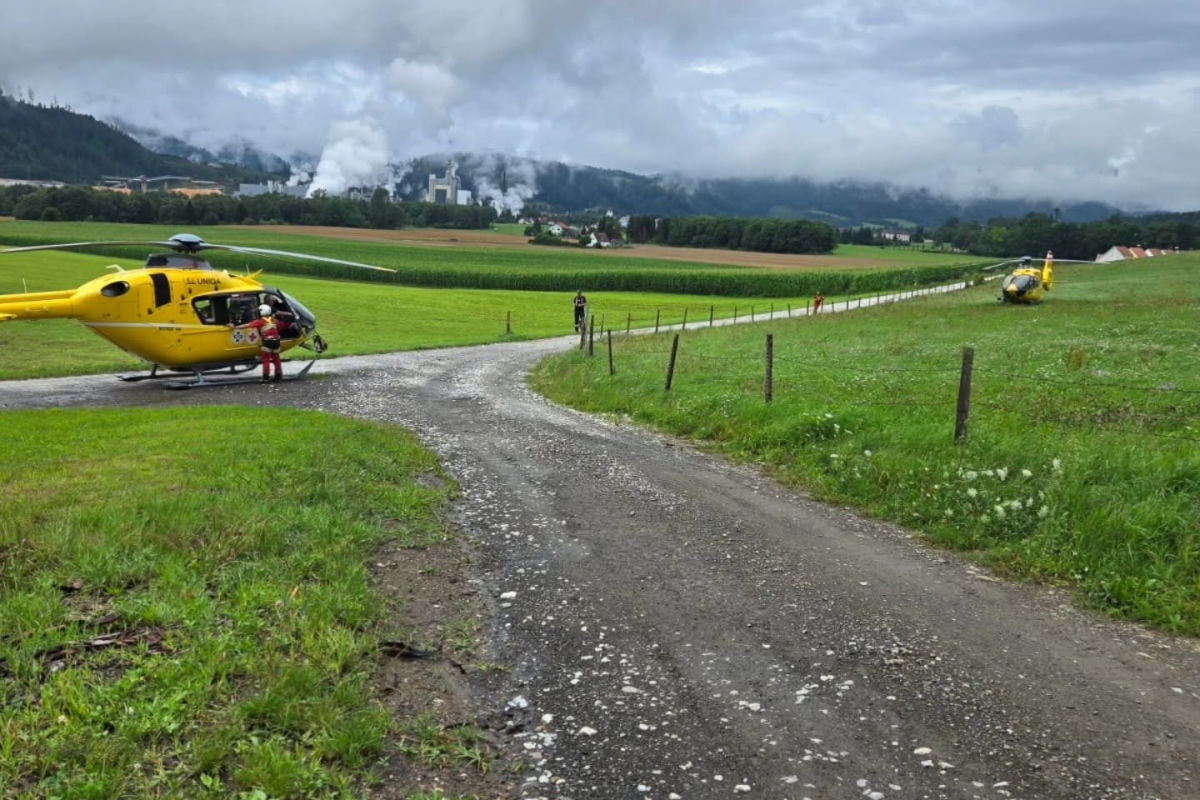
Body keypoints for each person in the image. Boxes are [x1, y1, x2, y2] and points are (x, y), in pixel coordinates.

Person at [229, 303, 283, 382]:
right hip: (277, 342)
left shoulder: (260, 321)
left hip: (267, 342)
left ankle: (265, 378)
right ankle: (278, 376)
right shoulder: (274, 320)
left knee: (266, 360)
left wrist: (235, 327)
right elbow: (280, 326)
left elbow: (247, 325)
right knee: (276, 359)